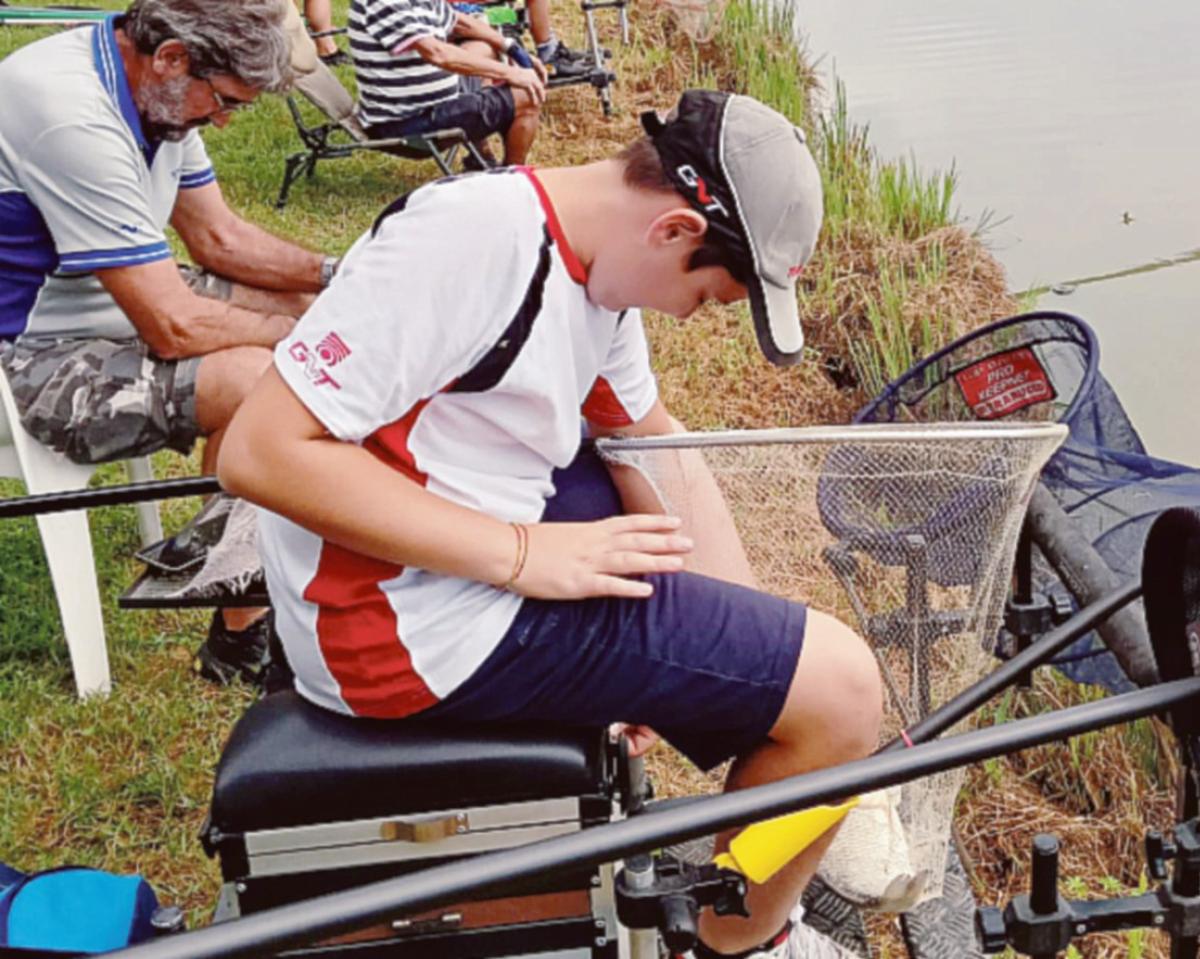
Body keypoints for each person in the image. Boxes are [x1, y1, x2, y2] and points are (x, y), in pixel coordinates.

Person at [218, 90, 882, 959]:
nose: (694, 315)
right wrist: (523, 555)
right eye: (712, 297)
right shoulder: (466, 245)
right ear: (675, 231)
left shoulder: (589, 265)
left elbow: (654, 447)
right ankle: (740, 940)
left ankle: (738, 891)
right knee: (846, 692)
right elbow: (258, 452)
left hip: (454, 562)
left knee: (795, 678)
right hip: (395, 629)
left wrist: (733, 655)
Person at [0, 0, 338, 683]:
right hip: (22, 357)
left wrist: (342, 277)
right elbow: (173, 323)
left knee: (315, 310)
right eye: (225, 103)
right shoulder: (69, 112)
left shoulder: (159, 88)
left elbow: (219, 239)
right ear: (172, 56)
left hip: (94, 304)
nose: (222, 119)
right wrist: (314, 338)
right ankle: (241, 638)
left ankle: (268, 566)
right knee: (272, 377)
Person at [349, 0, 547, 166]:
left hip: (425, 102)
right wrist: (510, 73)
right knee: (527, 96)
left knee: (483, 48)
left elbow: (456, 21)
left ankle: (481, 159)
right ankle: (511, 180)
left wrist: (511, 47)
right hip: (405, 122)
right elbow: (438, 54)